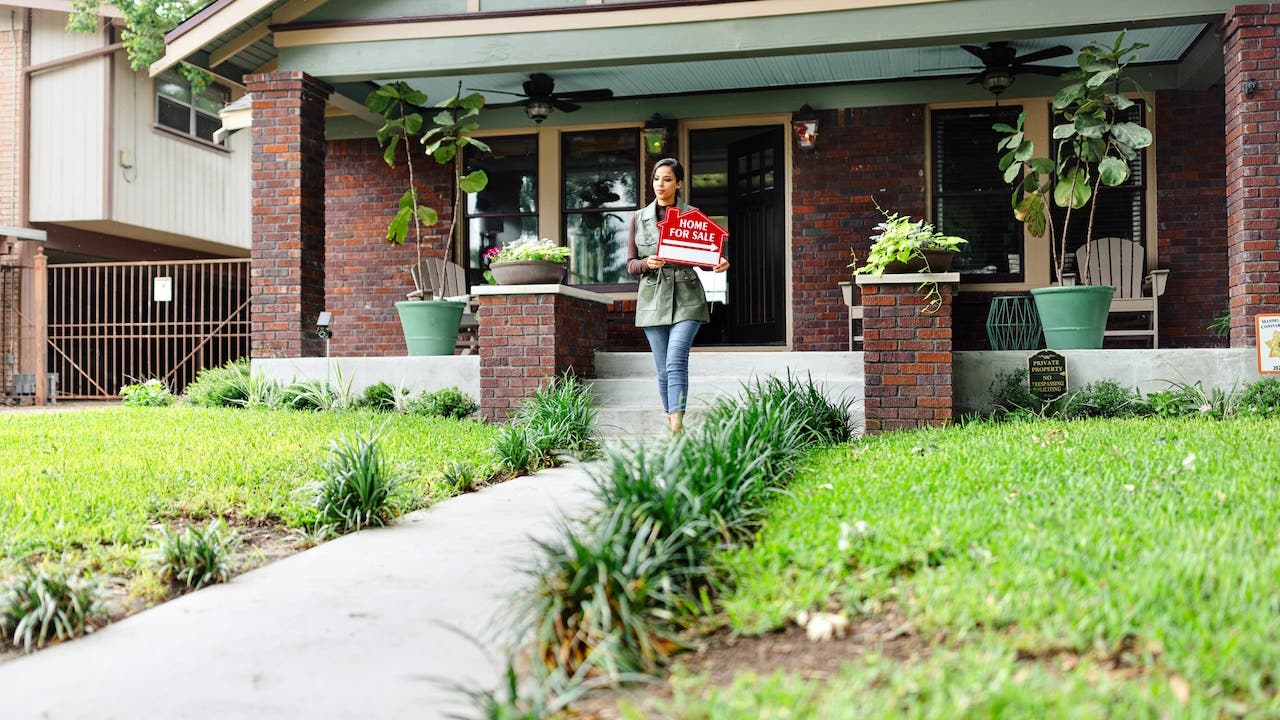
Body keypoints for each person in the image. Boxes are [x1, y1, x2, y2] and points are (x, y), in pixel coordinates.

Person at [626, 157, 730, 435]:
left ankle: (677, 426)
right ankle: (671, 420)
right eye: (657, 179)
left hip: (687, 297)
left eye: (668, 179)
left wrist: (719, 262)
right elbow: (631, 264)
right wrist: (646, 264)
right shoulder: (638, 218)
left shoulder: (693, 216)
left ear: (679, 183)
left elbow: (706, 258)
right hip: (652, 298)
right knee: (662, 368)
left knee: (675, 360)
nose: (661, 184)